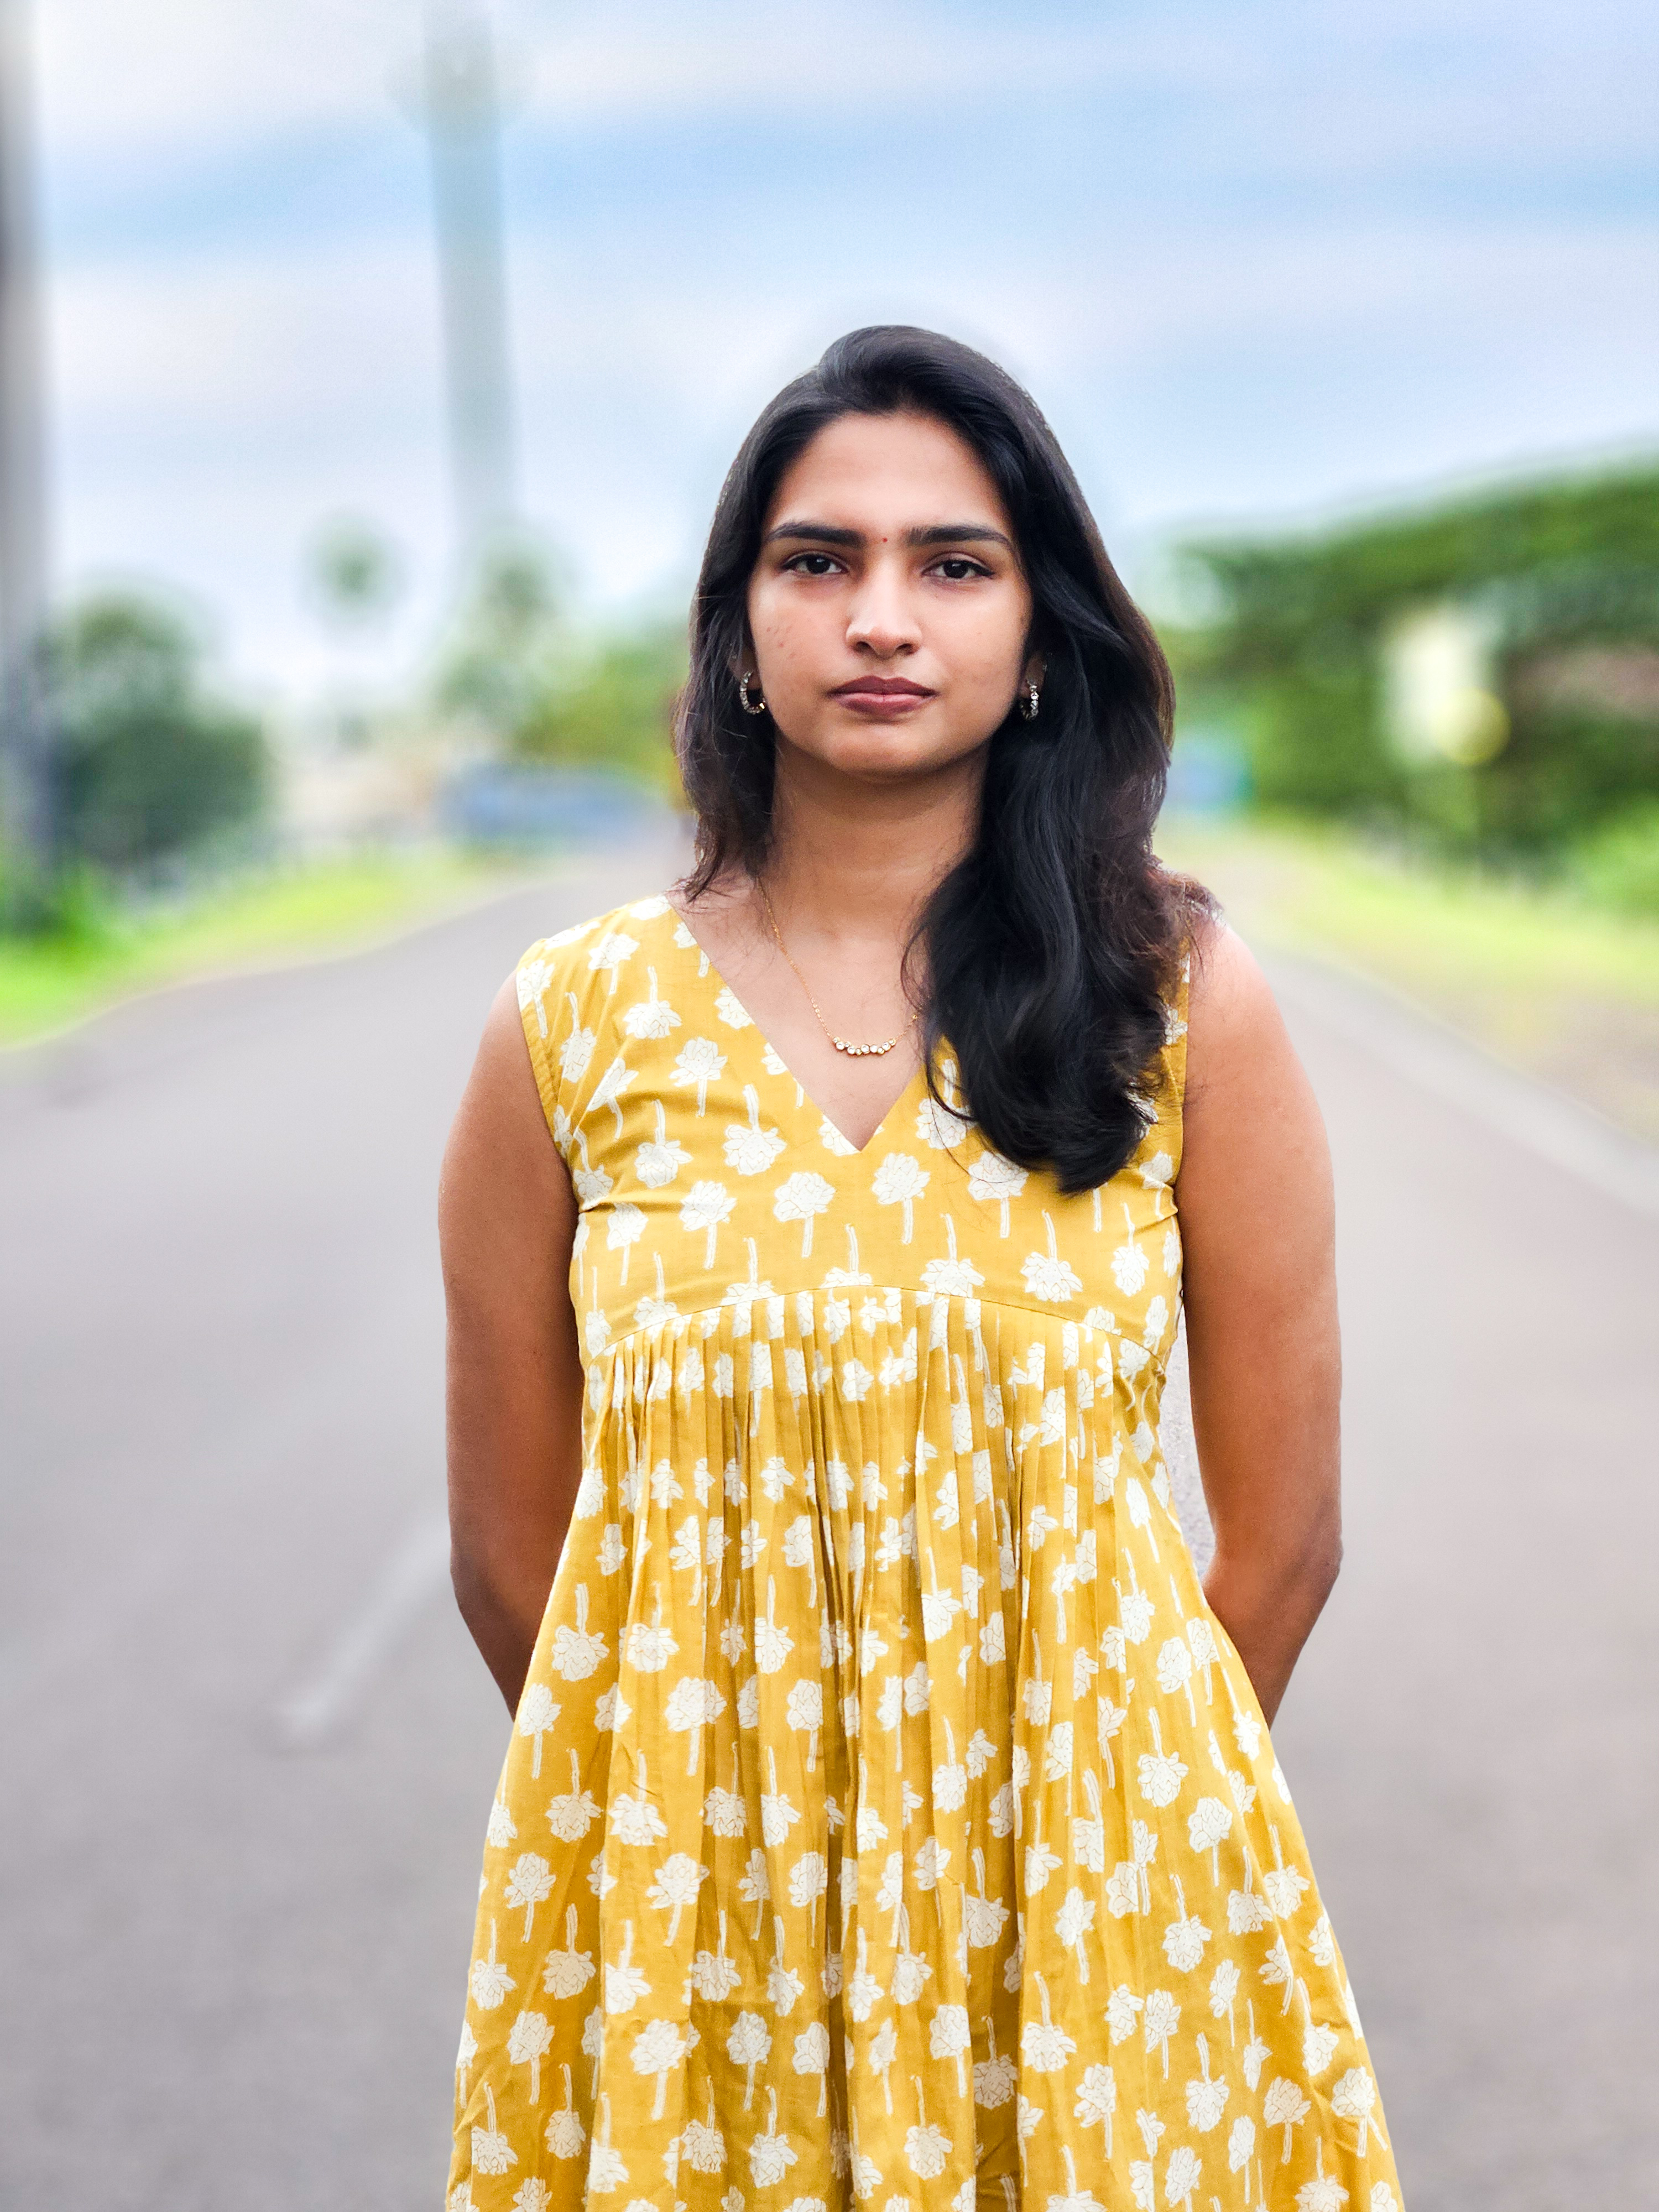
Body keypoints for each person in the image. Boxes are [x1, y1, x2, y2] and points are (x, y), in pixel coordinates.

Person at [439, 326, 1404, 2210]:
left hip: (1095, 1906)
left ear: (1040, 638)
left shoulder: (1179, 1003)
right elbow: (508, 1564)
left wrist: (1111, 1835)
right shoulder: (567, 1025)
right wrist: (695, 1836)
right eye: (820, 560)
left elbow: (1284, 1542)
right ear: (739, 629)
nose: (881, 616)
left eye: (955, 564)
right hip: (692, 1914)